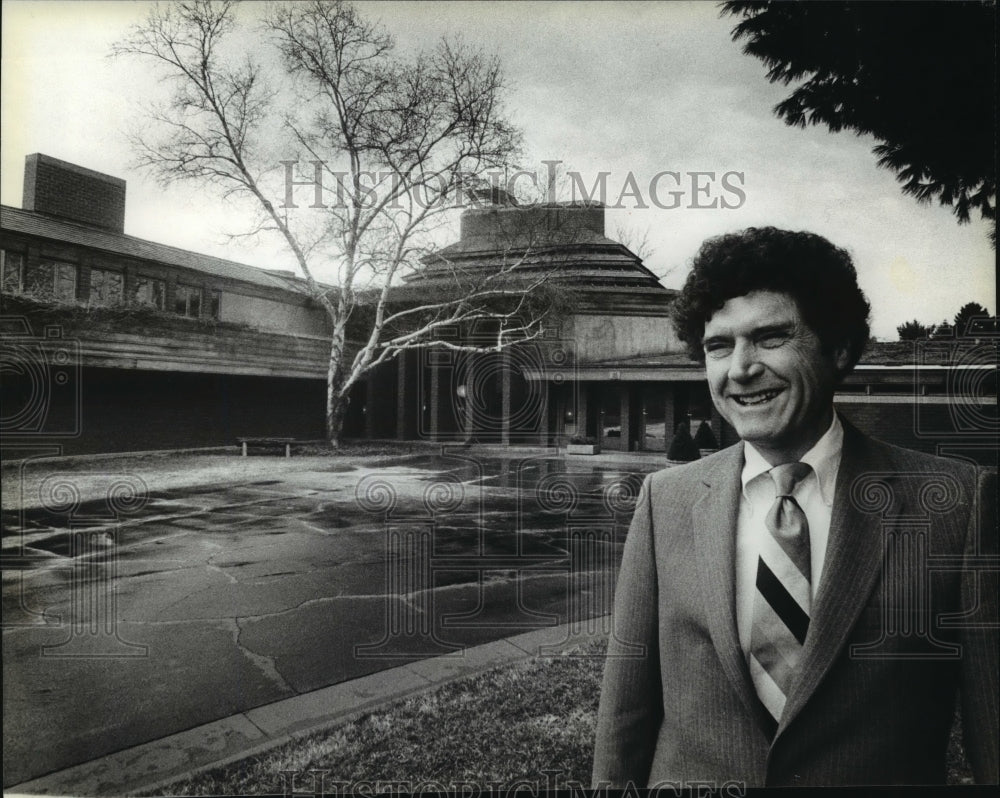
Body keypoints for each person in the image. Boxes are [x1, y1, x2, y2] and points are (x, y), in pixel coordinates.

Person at [592, 227, 997, 787]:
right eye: (718, 346)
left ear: (837, 348)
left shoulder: (959, 504)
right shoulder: (666, 502)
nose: (740, 368)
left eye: (771, 337)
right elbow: (625, 720)